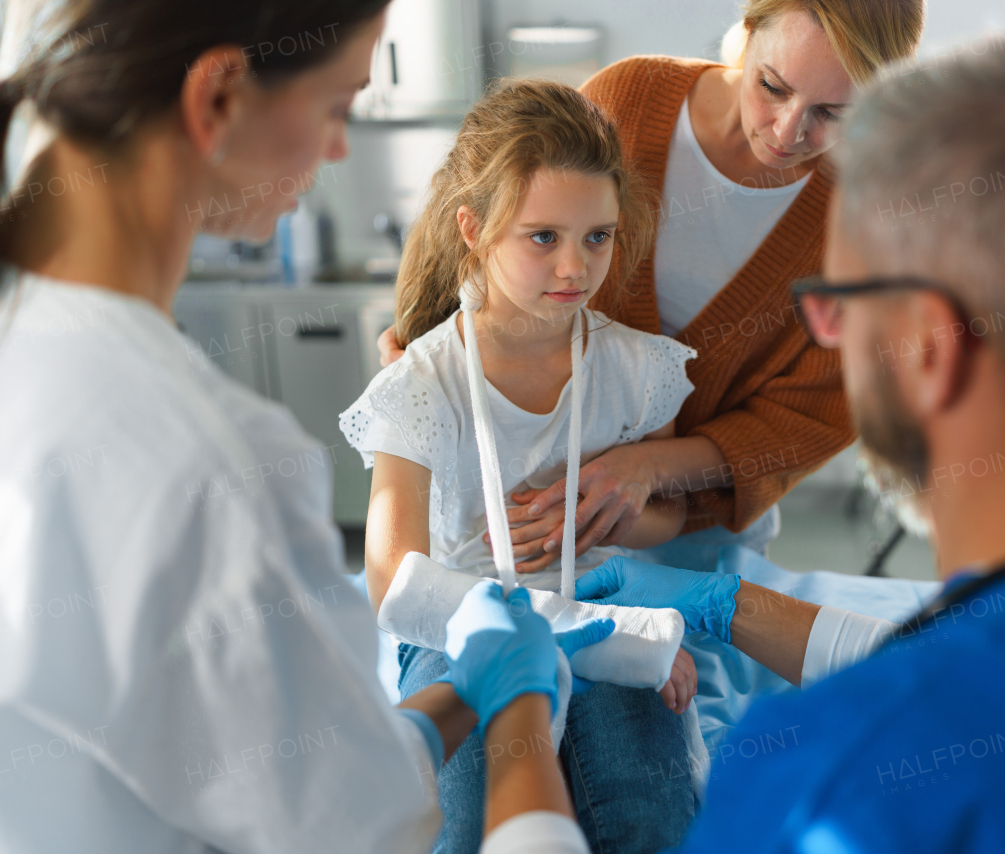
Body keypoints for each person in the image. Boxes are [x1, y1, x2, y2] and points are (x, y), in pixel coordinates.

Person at [575, 34, 1005, 852]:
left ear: (931, 350)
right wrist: (724, 605)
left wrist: (516, 731)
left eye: (838, 304)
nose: (830, 339)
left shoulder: (819, 788)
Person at [0, 3, 606, 851]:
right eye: (337, 106)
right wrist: (519, 702)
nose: (335, 151)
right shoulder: (210, 462)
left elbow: (304, 777)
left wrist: (469, 688)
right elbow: (361, 832)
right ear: (216, 97)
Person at [380, 0, 926, 578]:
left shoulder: (871, 212)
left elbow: (821, 409)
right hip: (528, 505)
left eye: (832, 113)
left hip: (690, 526)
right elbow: (500, 205)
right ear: (748, 31)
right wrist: (420, 343)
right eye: (771, 86)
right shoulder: (632, 99)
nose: (788, 130)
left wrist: (650, 466)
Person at [341, 79, 703, 854]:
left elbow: (670, 517)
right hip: (459, 622)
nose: (575, 266)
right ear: (473, 229)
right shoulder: (421, 385)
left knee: (653, 822)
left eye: (598, 237)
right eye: (542, 237)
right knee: (467, 833)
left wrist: (616, 516)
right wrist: (618, 638)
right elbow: (395, 583)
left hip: (602, 598)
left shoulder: (641, 370)